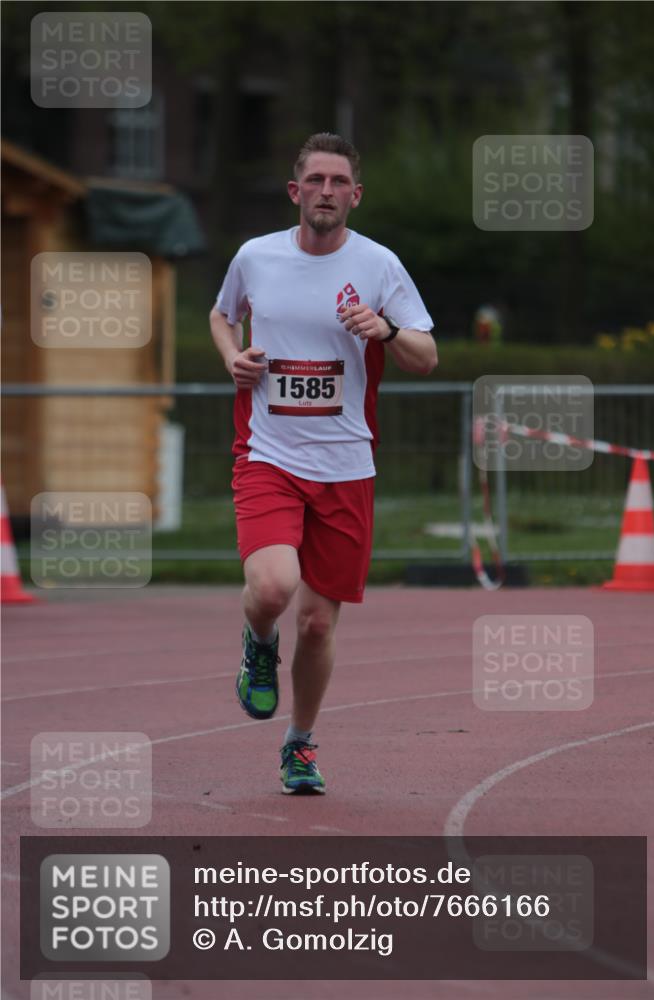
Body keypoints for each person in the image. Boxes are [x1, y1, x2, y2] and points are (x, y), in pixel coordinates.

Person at [210, 132, 437, 795]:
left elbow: (426, 356)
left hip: (345, 466)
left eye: (339, 182)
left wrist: (386, 331)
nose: (327, 192)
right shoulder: (255, 257)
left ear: (355, 196)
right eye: (316, 180)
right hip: (267, 455)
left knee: (315, 622)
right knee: (276, 589)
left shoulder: (379, 267)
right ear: (295, 191)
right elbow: (223, 317)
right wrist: (231, 357)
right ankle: (257, 640)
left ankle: (299, 744)